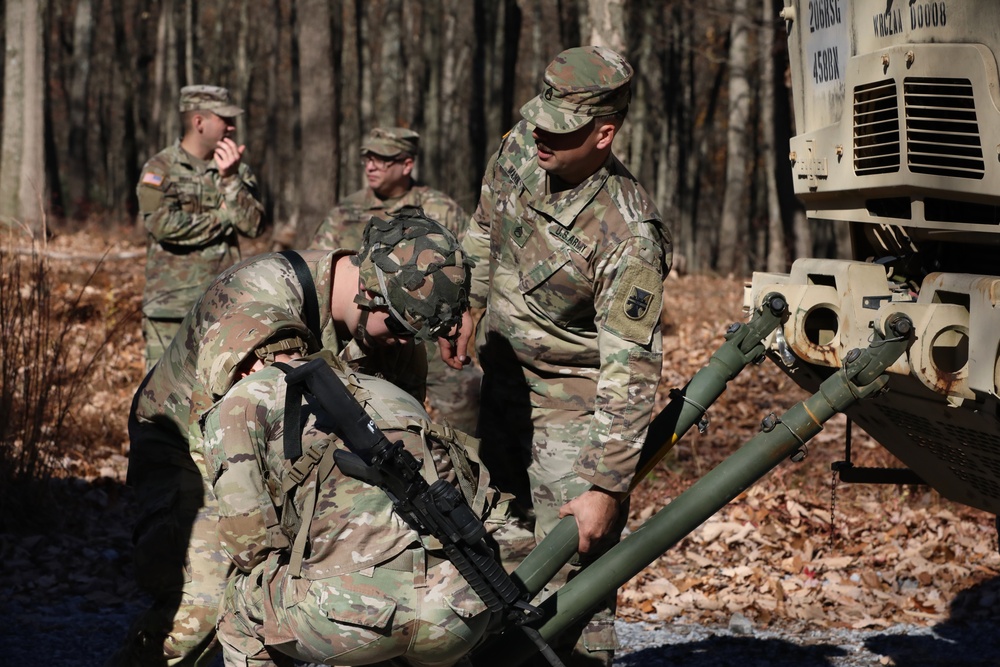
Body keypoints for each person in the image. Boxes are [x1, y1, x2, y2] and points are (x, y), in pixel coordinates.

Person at [109, 209, 473, 666]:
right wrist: (269, 559)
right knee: (201, 611)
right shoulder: (257, 297)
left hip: (291, 453)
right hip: (193, 443)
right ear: (368, 294)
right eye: (401, 328)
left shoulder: (390, 336)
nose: (405, 344)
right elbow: (240, 441)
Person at [442, 46, 673, 666]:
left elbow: (632, 369)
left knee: (572, 589)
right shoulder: (525, 144)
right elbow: (486, 228)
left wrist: (604, 484)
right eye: (539, 118)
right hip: (503, 386)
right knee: (487, 550)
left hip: (575, 417)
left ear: (604, 133)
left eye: (560, 128)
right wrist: (466, 302)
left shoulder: (628, 235)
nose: (541, 135)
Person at [206, 351, 500, 666]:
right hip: (463, 611)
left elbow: (249, 548)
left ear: (244, 369)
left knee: (239, 605)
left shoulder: (244, 398)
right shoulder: (388, 389)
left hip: (348, 620)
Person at [309, 127, 481, 435]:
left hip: (428, 339)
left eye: (383, 159)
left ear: (406, 164)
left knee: (466, 400)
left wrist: (461, 314)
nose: (371, 166)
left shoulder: (438, 209)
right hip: (365, 334)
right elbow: (326, 276)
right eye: (368, 158)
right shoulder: (346, 212)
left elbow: (463, 271)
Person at [137, 84, 265, 370]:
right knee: (161, 400)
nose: (232, 127)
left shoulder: (237, 169)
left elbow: (254, 225)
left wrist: (230, 180)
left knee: (219, 394)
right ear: (199, 122)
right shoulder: (161, 168)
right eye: (225, 119)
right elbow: (163, 226)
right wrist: (222, 217)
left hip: (224, 305)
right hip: (170, 309)